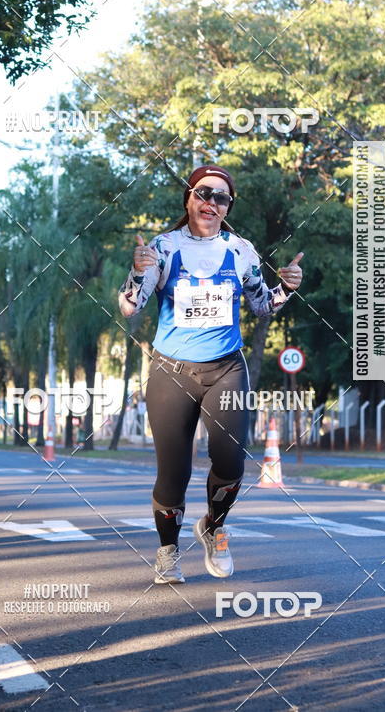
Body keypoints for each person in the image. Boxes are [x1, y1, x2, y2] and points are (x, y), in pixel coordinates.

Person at [118, 165, 303, 583]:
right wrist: (138, 271)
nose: (211, 203)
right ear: (188, 199)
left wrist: (287, 288)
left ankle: (214, 527)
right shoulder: (163, 248)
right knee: (174, 472)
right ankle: (168, 551)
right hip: (172, 371)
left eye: (221, 198)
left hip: (226, 370)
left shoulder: (241, 251)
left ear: (227, 208)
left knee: (232, 461)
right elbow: (131, 306)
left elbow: (260, 305)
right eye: (204, 193)